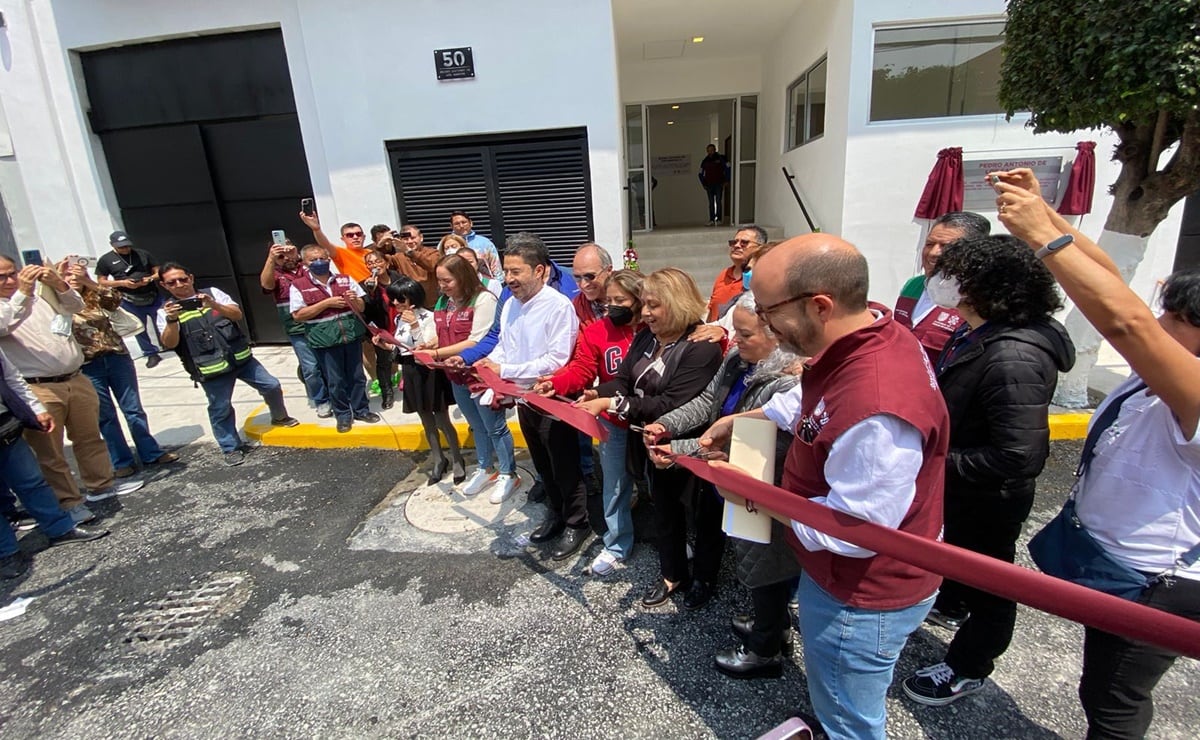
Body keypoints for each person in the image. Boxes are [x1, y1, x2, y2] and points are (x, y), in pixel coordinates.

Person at [712, 234, 949, 740]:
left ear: (820, 306)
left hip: (859, 594)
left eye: (768, 309)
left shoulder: (877, 405)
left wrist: (751, 492)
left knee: (851, 717)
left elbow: (851, 531)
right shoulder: (865, 334)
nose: (764, 322)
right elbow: (807, 401)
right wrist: (741, 420)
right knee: (836, 696)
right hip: (839, 579)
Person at [996, 166, 1200, 739]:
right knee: (1101, 684)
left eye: (1175, 322)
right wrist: (1049, 215)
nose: (1159, 326)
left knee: (1112, 699)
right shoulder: (1162, 372)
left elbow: (1128, 320)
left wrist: (1044, 238)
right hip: (1115, 563)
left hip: (1155, 581)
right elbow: (1117, 288)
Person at [900, 235, 1074, 706]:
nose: (939, 281)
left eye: (953, 274)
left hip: (987, 498)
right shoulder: (982, 333)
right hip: (963, 490)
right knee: (962, 570)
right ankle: (952, 607)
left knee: (992, 583)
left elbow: (1019, 455)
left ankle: (968, 666)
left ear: (982, 286)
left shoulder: (1012, 354)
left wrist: (936, 463)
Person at [646, 293, 801, 678]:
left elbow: (746, 445)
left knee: (768, 565)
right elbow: (706, 404)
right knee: (754, 561)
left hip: (760, 485)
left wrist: (678, 450)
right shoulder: (737, 360)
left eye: (746, 335)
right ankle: (772, 624)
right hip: (727, 476)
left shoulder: (785, 387)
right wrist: (668, 425)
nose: (736, 341)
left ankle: (765, 650)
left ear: (776, 335)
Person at [577, 267, 724, 608]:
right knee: (664, 511)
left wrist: (610, 402)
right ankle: (672, 574)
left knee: (703, 517)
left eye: (653, 305)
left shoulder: (701, 348)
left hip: (691, 446)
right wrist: (595, 392)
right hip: (652, 442)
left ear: (676, 303)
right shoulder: (647, 337)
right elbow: (625, 382)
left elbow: (669, 402)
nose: (644, 313)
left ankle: (704, 578)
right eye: (643, 304)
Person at [0, 255, 144, 522]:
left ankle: (100, 485)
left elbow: (74, 306)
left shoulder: (39, 297)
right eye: (2, 277)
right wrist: (21, 291)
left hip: (74, 377)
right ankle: (68, 502)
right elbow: (4, 324)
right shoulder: (11, 303)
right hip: (37, 386)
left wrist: (59, 284)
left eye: (13, 273)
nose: (11, 280)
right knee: (50, 452)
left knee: (89, 437)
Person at [536, 269, 644, 576]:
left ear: (640, 299)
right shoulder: (597, 331)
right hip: (614, 420)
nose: (611, 307)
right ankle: (617, 544)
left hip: (654, 419)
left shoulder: (654, 327)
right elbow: (582, 369)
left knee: (660, 485)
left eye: (620, 300)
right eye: (609, 300)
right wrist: (555, 383)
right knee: (615, 485)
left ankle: (671, 540)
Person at [473, 233, 579, 542]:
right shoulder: (510, 305)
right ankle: (556, 515)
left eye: (516, 272)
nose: (508, 279)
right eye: (506, 271)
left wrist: (503, 369)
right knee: (543, 466)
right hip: (524, 400)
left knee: (565, 467)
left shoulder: (558, 307)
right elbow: (505, 347)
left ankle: (577, 522)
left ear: (540, 271)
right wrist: (488, 366)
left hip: (552, 399)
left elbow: (556, 360)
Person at [156, 262, 298, 466]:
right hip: (210, 368)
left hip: (241, 358)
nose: (179, 284)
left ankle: (279, 417)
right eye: (172, 282)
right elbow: (170, 343)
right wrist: (171, 320)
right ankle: (230, 447)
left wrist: (214, 304)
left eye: (183, 279)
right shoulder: (165, 312)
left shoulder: (212, 293)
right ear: (164, 285)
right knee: (220, 408)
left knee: (271, 385)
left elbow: (237, 315)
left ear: (191, 278)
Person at [0, 347, 108, 579]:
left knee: (32, 481)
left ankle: (60, 529)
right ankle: (6, 553)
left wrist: (36, 409)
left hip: (4, 426)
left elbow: (11, 378)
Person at [66, 265, 179, 477]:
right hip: (88, 365)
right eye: (67, 276)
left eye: (76, 276)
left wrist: (89, 282)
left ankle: (150, 452)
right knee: (105, 415)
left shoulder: (95, 296)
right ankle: (121, 461)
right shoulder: (57, 304)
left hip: (116, 357)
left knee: (133, 408)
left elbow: (115, 300)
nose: (73, 279)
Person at [380, 278, 465, 485]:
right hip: (410, 371)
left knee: (442, 419)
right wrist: (385, 344)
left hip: (429, 371)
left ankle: (457, 458)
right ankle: (438, 459)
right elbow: (402, 347)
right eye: (393, 300)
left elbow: (425, 347)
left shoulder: (429, 317)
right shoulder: (400, 318)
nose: (397, 303)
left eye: (401, 299)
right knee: (425, 419)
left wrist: (415, 325)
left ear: (413, 297)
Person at [290, 245, 380, 433]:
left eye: (322, 258)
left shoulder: (345, 280)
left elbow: (362, 307)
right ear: (305, 263)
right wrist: (326, 303)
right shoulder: (299, 285)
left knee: (357, 377)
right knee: (335, 380)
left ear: (328, 259)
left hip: (350, 336)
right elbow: (298, 315)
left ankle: (361, 410)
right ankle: (343, 415)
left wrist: (354, 300)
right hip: (325, 341)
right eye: (313, 260)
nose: (319, 262)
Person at [431, 254, 501, 495]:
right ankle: (486, 468)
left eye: (447, 280)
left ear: (462, 277)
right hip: (455, 375)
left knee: (495, 427)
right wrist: (428, 347)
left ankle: (508, 472)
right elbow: (442, 333)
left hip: (479, 375)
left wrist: (438, 353)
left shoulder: (483, 300)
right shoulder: (443, 302)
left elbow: (477, 340)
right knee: (476, 425)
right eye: (439, 280)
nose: (442, 286)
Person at [893, 211, 990, 364]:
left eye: (946, 246)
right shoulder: (913, 285)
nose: (933, 253)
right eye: (929, 244)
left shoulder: (976, 298)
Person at [259, 240, 330, 417]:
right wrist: (271, 259)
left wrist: (298, 256)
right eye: (280, 256)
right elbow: (266, 285)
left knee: (329, 363)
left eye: (287, 252)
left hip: (322, 324)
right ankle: (321, 400)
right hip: (297, 329)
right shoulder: (274, 273)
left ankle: (338, 395)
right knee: (311, 367)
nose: (285, 258)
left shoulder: (307, 267)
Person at [94, 230, 164, 368]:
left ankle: (172, 343)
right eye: (121, 247)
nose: (125, 249)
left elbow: (159, 271)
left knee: (164, 319)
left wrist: (149, 279)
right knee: (138, 327)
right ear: (113, 245)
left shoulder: (142, 254)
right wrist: (122, 283)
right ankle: (150, 353)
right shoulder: (106, 260)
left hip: (151, 294)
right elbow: (101, 281)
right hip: (129, 298)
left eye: (127, 246)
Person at [360, 249, 403, 409]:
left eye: (377, 261)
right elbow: (365, 309)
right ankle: (387, 393)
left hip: (401, 324)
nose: (374, 265)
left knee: (407, 357)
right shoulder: (365, 285)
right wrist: (371, 292)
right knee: (383, 361)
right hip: (383, 327)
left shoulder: (399, 278)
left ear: (385, 262)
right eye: (370, 263)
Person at [708, 225, 766, 322]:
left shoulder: (761, 277)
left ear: (759, 248)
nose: (737, 245)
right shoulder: (723, 274)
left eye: (744, 243)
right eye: (734, 242)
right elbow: (712, 310)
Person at [390, 227, 442, 308]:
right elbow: (381, 261)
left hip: (432, 304)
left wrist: (410, 252)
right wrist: (381, 245)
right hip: (410, 305)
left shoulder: (433, 253)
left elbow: (431, 265)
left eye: (413, 238)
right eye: (406, 239)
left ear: (421, 237)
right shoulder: (397, 257)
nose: (410, 241)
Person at [570, 243, 613, 327]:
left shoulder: (630, 298)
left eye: (589, 276)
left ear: (608, 270)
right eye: (577, 278)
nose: (583, 284)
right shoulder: (576, 308)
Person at [449, 211, 501, 278]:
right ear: (451, 226)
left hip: (484, 284)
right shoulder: (446, 244)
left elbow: (496, 266)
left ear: (471, 223)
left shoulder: (485, 243)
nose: (461, 226)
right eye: (457, 224)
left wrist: (499, 283)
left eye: (464, 222)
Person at [698, 144, 730, 226]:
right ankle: (711, 219)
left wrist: (727, 180)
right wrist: (703, 183)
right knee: (711, 202)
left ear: (715, 149)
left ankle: (719, 219)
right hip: (709, 184)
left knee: (718, 201)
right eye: (708, 150)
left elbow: (728, 168)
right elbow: (700, 173)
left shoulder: (721, 158)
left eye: (712, 150)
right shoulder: (705, 161)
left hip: (719, 183)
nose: (710, 152)